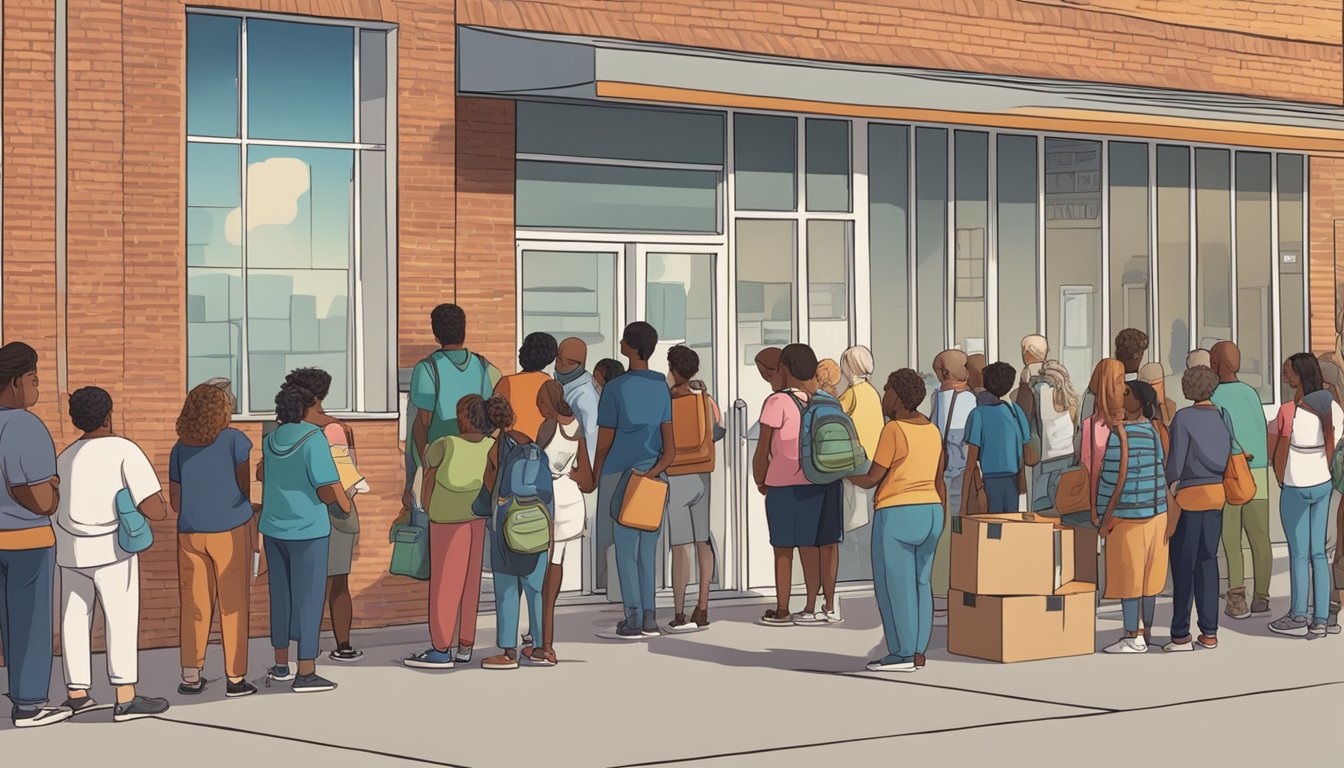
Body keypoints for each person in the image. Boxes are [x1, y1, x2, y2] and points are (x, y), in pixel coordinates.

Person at [55, 386, 171, 720]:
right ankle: (125, 696)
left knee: (74, 619)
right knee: (120, 619)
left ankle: (77, 693)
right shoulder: (124, 450)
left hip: (70, 551)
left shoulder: (65, 457)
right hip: (113, 549)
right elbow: (154, 507)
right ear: (108, 414)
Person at [848, 369, 946, 672]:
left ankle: (901, 654)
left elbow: (872, 478)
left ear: (900, 397)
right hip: (932, 510)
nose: (883, 396)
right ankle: (918, 651)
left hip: (899, 512)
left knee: (894, 586)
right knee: (920, 583)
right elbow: (938, 477)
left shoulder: (893, 430)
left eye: (888, 390)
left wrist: (842, 474)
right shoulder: (932, 430)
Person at [259, 376, 350, 692]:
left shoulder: (271, 439)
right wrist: (343, 501)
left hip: (273, 528)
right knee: (309, 600)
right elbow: (327, 487)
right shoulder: (313, 438)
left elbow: (261, 472)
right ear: (304, 409)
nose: (320, 411)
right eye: (317, 406)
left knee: (281, 597)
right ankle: (307, 671)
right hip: (308, 530)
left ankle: (281, 663)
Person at [170, 383, 257, 698]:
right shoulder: (235, 440)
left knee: (194, 605)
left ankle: (191, 675)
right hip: (230, 528)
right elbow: (244, 486)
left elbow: (175, 500)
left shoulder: (179, 447)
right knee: (233, 604)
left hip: (190, 532)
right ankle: (235, 678)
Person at [0, 342, 68, 728]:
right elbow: (41, 500)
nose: (37, 388)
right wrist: (54, 487)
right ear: (14, 384)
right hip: (25, 542)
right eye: (33, 380)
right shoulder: (25, 425)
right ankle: (28, 704)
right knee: (28, 624)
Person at [754, 343, 844, 626]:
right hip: (822, 480)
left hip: (784, 483)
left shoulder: (777, 402)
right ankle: (816, 606)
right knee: (815, 545)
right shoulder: (825, 400)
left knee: (783, 548)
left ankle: (782, 609)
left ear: (785, 368)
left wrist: (760, 478)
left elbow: (763, 447)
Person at [594, 322, 675, 638]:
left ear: (630, 346)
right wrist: (654, 472)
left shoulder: (615, 388)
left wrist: (594, 475)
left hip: (619, 475)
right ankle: (651, 617)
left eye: (624, 340)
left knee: (625, 551)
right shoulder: (660, 386)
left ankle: (633, 618)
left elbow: (604, 442)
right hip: (654, 476)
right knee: (648, 550)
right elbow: (670, 446)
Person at [405, 395, 494, 670]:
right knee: (470, 583)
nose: (457, 418)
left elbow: (426, 468)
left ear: (469, 417)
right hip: (477, 518)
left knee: (445, 584)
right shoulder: (492, 446)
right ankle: (465, 644)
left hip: (445, 519)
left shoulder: (446, 444)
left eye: (460, 413)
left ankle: (441, 648)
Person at [285, 368, 367, 664]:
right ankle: (343, 644)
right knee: (339, 582)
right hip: (339, 509)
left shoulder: (285, 428)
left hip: (300, 510)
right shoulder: (339, 428)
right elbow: (352, 474)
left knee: (306, 583)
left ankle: (307, 644)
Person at [1269, 353, 1342, 638]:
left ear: (1300, 374)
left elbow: (1276, 452)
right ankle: (1322, 618)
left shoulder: (1289, 410)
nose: (1285, 376)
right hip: (1322, 482)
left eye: (1289, 372)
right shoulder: (1331, 406)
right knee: (1319, 554)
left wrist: (1280, 478)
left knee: (1299, 554)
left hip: (1295, 484)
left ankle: (1299, 614)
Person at [1096, 380, 1170, 654]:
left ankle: (1132, 634)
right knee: (1149, 579)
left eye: (1126, 393)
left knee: (1129, 579)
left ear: (1138, 401)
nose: (1121, 396)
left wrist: (1102, 518)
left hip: (1127, 517)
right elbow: (1160, 467)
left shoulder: (1120, 435)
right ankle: (1146, 631)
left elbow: (1110, 479)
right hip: (1157, 513)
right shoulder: (1153, 430)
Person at [525, 381, 595, 662]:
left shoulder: (547, 427)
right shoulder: (576, 428)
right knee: (555, 572)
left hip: (549, 502)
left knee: (542, 576)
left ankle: (544, 644)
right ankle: (544, 640)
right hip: (572, 501)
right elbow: (588, 481)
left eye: (540, 402)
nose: (538, 407)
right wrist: (571, 474)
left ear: (548, 402)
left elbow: (532, 465)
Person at [480, 396, 552, 668]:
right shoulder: (535, 448)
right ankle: (540, 649)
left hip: (507, 530)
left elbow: (488, 490)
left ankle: (509, 653)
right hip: (538, 527)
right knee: (536, 590)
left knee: (508, 591)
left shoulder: (496, 450)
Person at [1164, 367, 1233, 651]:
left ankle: (1181, 633)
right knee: (1207, 562)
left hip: (1189, 498)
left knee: (1183, 566)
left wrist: (1172, 490)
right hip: (1216, 496)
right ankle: (1209, 632)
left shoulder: (1183, 418)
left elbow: (1175, 465)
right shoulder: (1222, 416)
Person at [408, 303, 501, 509]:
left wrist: (423, 466)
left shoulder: (427, 369)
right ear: (464, 330)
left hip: (441, 468)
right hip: (480, 466)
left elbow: (422, 423)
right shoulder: (487, 368)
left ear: (436, 335)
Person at [1209, 341, 1273, 620]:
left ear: (1220, 364)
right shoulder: (1251, 394)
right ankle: (1262, 597)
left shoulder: (1215, 397)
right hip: (1257, 472)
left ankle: (1237, 599)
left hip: (1229, 474)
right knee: (1260, 538)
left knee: (1232, 539)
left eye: (1212, 360)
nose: (1210, 365)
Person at [665, 345, 723, 632]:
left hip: (676, 474)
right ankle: (702, 607)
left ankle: (679, 612)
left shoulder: (667, 401)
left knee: (680, 548)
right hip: (703, 472)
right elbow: (718, 431)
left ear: (672, 369)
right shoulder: (706, 400)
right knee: (703, 542)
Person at [929, 349, 974, 618]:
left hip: (940, 473)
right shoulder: (969, 399)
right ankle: (957, 590)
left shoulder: (937, 397)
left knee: (942, 532)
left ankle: (940, 594)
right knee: (961, 533)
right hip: (960, 473)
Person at [1014, 336, 1079, 514]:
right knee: (1062, 507)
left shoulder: (1030, 383)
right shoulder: (1060, 381)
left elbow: (1022, 420)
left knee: (1040, 510)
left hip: (1043, 456)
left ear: (1027, 353)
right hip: (1066, 452)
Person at [964, 362, 1031, 514]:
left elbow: (970, 464)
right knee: (1010, 529)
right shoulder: (1015, 410)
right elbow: (1024, 446)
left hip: (989, 480)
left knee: (992, 531)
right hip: (1013, 479)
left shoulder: (978, 414)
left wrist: (963, 505)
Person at [839, 346, 883, 533]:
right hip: (875, 461)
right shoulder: (872, 392)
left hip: (857, 463)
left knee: (852, 522)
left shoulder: (850, 395)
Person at [495, 332, 559, 441]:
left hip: (512, 449)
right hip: (543, 448)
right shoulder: (552, 384)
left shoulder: (506, 382)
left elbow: (494, 421)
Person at [555, 337, 599, 465]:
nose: (563, 366)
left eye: (571, 363)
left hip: (576, 462)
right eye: (560, 360)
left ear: (582, 364)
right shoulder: (559, 385)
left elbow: (592, 436)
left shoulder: (585, 394)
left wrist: (588, 472)